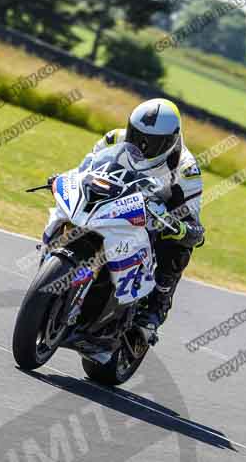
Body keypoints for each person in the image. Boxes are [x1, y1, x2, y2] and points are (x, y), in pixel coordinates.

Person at [47, 98, 205, 345]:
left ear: (171, 140)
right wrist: (66, 179)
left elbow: (193, 221)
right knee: (70, 210)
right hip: (108, 206)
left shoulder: (186, 169)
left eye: (151, 142)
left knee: (177, 246)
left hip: (150, 222)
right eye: (136, 135)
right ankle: (53, 255)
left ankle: (154, 309)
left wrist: (182, 227)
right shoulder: (114, 139)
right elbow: (84, 170)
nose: (141, 145)